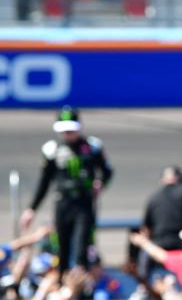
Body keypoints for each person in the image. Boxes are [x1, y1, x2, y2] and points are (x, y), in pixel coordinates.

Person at [20, 108, 113, 278]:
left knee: (81, 246)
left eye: (71, 130)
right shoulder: (52, 150)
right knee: (61, 246)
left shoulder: (92, 147)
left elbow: (107, 171)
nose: (68, 134)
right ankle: (62, 283)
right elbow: (44, 182)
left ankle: (79, 289)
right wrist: (31, 209)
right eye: (64, 130)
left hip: (85, 203)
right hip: (63, 203)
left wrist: (101, 184)